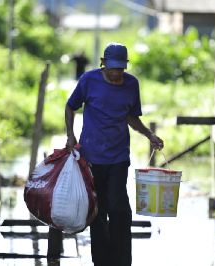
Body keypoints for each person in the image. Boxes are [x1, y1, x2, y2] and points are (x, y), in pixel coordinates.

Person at [64, 42, 164, 266]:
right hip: (91, 156)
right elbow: (70, 106)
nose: (118, 73)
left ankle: (122, 261)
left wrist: (149, 135)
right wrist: (70, 135)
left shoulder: (131, 84)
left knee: (119, 207)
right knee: (97, 210)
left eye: (121, 68)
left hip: (118, 155)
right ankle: (101, 261)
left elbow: (130, 116)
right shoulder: (89, 80)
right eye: (113, 69)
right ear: (103, 64)